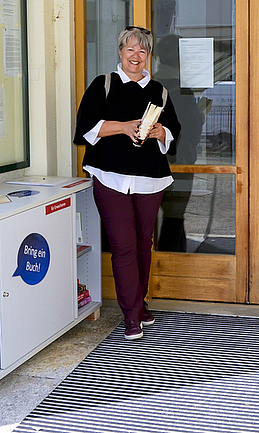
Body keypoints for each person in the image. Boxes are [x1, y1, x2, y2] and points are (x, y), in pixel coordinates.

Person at [73, 26, 181, 340]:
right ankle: (132, 315)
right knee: (123, 247)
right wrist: (123, 127)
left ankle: (140, 302)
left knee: (143, 245)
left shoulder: (159, 90)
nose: (136, 56)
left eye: (142, 51)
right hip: (110, 178)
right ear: (120, 52)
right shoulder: (103, 85)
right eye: (130, 49)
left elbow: (173, 130)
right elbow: (84, 129)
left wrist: (161, 133)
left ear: (149, 56)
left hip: (150, 180)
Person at [153, 34, 205, 252]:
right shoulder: (181, 89)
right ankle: (172, 265)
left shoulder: (152, 83)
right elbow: (188, 128)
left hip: (153, 160)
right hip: (178, 161)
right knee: (174, 216)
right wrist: (200, 113)